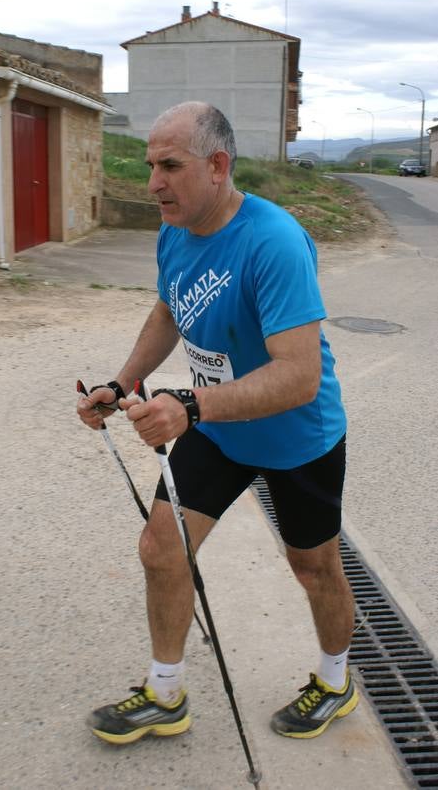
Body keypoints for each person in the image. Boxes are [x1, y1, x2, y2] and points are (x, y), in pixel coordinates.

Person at [77, 101, 358, 745]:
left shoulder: (275, 241)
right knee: (160, 548)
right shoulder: (175, 229)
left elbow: (298, 377)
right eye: (151, 165)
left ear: (218, 165)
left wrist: (190, 406)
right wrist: (121, 383)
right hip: (218, 425)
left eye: (169, 166)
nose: (153, 183)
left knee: (313, 567)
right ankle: (165, 694)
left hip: (296, 433)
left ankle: (336, 680)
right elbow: (170, 309)